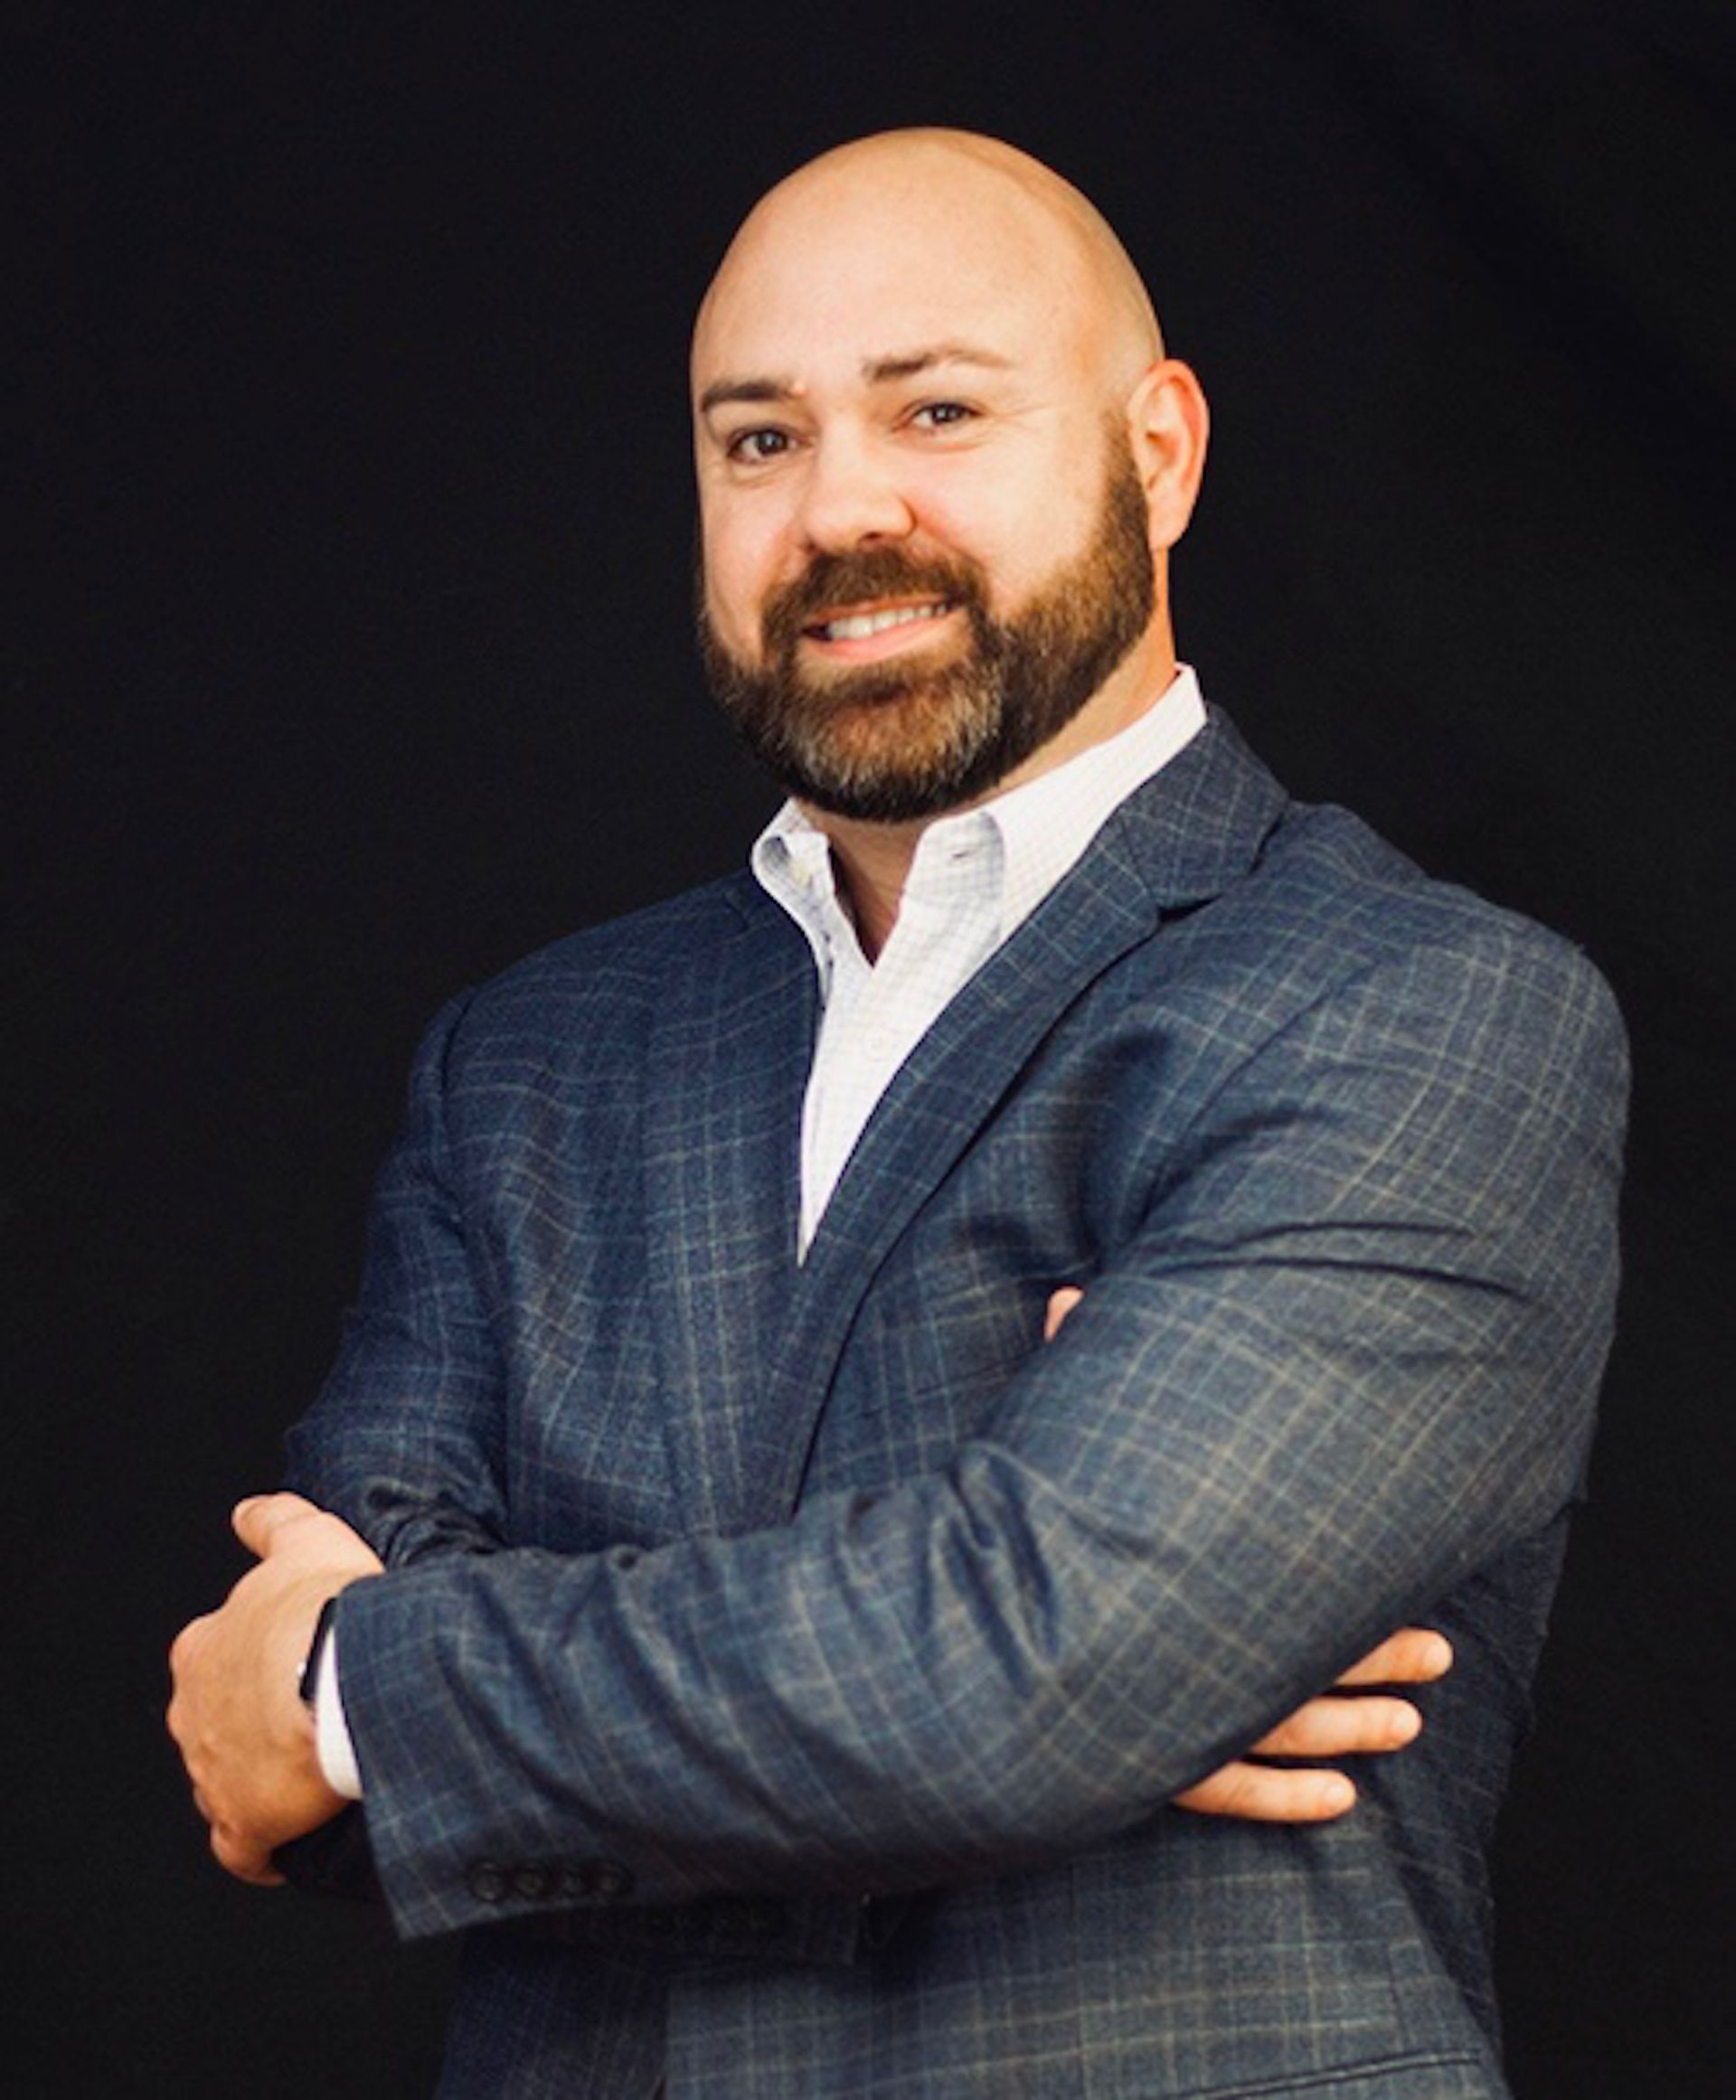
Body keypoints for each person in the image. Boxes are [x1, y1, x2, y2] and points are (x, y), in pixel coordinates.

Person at [168, 129, 1627, 2098]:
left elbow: (1020, 1673)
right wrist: (1026, 1672)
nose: (844, 506)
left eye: (936, 408)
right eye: (757, 441)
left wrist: (384, 1690)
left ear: (1160, 450)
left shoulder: (1425, 1012)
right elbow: (310, 1793)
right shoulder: (525, 1056)